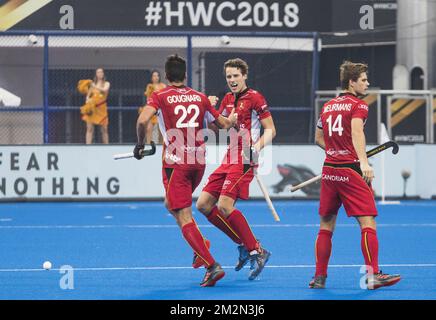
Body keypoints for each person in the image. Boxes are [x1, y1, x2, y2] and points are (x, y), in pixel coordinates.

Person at [134, 54, 237, 287]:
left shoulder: (159, 95)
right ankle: (200, 243)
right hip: (198, 162)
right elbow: (221, 125)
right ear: (186, 75)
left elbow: (142, 121)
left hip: (176, 164)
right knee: (171, 205)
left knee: (183, 214)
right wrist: (232, 117)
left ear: (167, 76)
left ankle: (212, 265)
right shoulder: (200, 97)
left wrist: (141, 144)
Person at [309, 61, 401, 290]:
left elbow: (318, 139)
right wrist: (362, 162)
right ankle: (373, 275)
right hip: (350, 171)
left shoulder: (328, 106)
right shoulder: (359, 105)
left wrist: (335, 151)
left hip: (329, 170)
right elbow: (357, 131)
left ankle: (319, 278)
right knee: (367, 221)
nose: (367, 83)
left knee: (326, 225)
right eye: (363, 80)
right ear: (351, 82)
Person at [195, 58, 276, 281]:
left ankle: (257, 250)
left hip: (245, 159)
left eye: (236, 76)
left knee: (224, 206)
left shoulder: (255, 97)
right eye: (229, 76)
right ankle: (243, 244)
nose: (232, 80)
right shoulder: (228, 99)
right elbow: (216, 126)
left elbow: (271, 129)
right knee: (203, 204)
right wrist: (208, 108)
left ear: (244, 76)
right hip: (228, 158)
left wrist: (256, 148)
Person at [81, 68, 110, 144]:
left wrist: (94, 86)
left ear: (103, 74)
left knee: (104, 129)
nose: (100, 73)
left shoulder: (106, 83)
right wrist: (88, 101)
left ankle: (107, 146)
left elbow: (104, 90)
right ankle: (88, 145)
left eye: (101, 72)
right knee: (89, 128)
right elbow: (87, 97)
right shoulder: (92, 85)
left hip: (102, 108)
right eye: (98, 72)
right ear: (96, 74)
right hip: (93, 109)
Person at [139, 70, 166, 144]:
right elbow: (148, 98)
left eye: (157, 75)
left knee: (161, 129)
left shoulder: (163, 86)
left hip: (161, 110)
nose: (156, 77)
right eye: (154, 76)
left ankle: (161, 144)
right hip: (152, 108)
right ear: (151, 78)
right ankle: (148, 143)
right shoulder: (149, 86)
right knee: (149, 128)